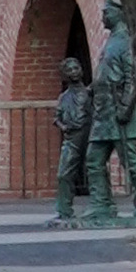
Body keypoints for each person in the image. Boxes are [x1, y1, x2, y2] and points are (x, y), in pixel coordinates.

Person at [84, 0, 136, 223]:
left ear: (119, 14)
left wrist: (126, 107)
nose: (103, 16)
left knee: (130, 160)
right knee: (94, 160)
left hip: (119, 111)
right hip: (104, 112)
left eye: (107, 12)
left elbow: (133, 77)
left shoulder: (126, 41)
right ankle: (101, 204)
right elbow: (108, 73)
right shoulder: (112, 40)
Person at [51, 51, 93, 226]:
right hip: (72, 137)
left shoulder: (90, 93)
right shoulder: (64, 97)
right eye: (70, 69)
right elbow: (56, 118)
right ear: (65, 74)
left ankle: (102, 205)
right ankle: (64, 209)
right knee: (63, 173)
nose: (74, 71)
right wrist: (63, 127)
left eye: (77, 68)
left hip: (89, 134)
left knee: (95, 169)